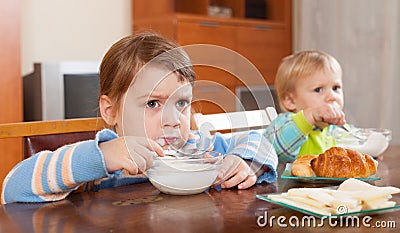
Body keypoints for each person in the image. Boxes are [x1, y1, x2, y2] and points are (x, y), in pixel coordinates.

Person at [2, 32, 278, 204]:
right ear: (110, 112)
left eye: (181, 102)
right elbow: (12, 187)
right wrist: (101, 157)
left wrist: (245, 161)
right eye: (153, 103)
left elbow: (260, 141)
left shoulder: (199, 150)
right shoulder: (103, 162)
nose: (172, 119)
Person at [264, 50, 346, 162]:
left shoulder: (337, 130)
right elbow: (273, 149)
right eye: (318, 89)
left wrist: (377, 148)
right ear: (290, 101)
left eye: (335, 88)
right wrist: (311, 116)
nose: (332, 96)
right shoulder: (284, 124)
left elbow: (361, 141)